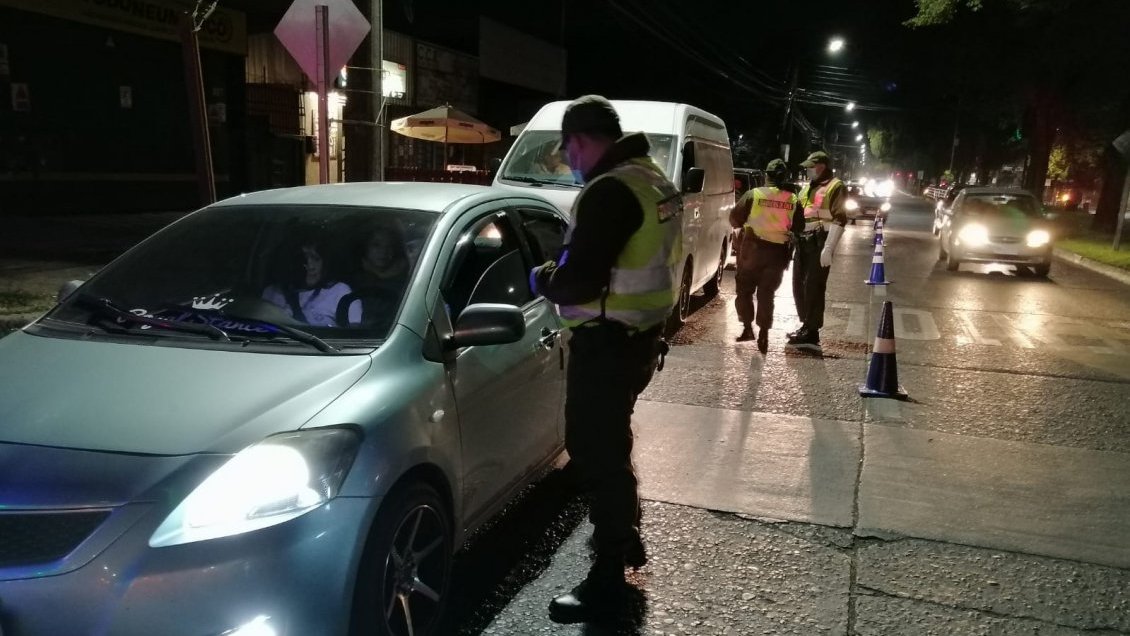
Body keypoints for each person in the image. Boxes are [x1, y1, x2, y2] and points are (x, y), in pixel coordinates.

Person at [529, 95, 681, 624]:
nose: (569, 161)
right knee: (612, 443)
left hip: (608, 341)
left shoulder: (609, 190)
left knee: (595, 454)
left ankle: (608, 574)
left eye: (568, 149)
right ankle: (627, 532)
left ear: (580, 140)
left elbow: (576, 279)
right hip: (640, 337)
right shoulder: (652, 177)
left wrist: (542, 277)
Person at [728, 158, 798, 354]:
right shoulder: (792, 200)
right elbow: (799, 227)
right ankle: (764, 333)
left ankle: (748, 328)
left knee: (744, 292)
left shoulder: (753, 195)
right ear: (784, 178)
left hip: (752, 252)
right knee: (767, 294)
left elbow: (734, 219)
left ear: (766, 176)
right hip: (777, 254)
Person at [787, 150, 848, 352]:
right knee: (799, 286)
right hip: (802, 243)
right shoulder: (807, 188)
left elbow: (840, 218)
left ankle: (812, 332)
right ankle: (806, 325)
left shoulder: (835, 186)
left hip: (819, 242)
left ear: (821, 166)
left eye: (810, 167)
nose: (807, 170)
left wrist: (829, 248)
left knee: (813, 287)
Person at [263, 234, 358, 327]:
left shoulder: (339, 291)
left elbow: (354, 334)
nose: (310, 266)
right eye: (302, 259)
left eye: (316, 259)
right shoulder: (271, 292)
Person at [340, 224, 410, 329]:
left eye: (389, 246)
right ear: (365, 248)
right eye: (376, 245)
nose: (383, 252)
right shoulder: (352, 281)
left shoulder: (407, 281)